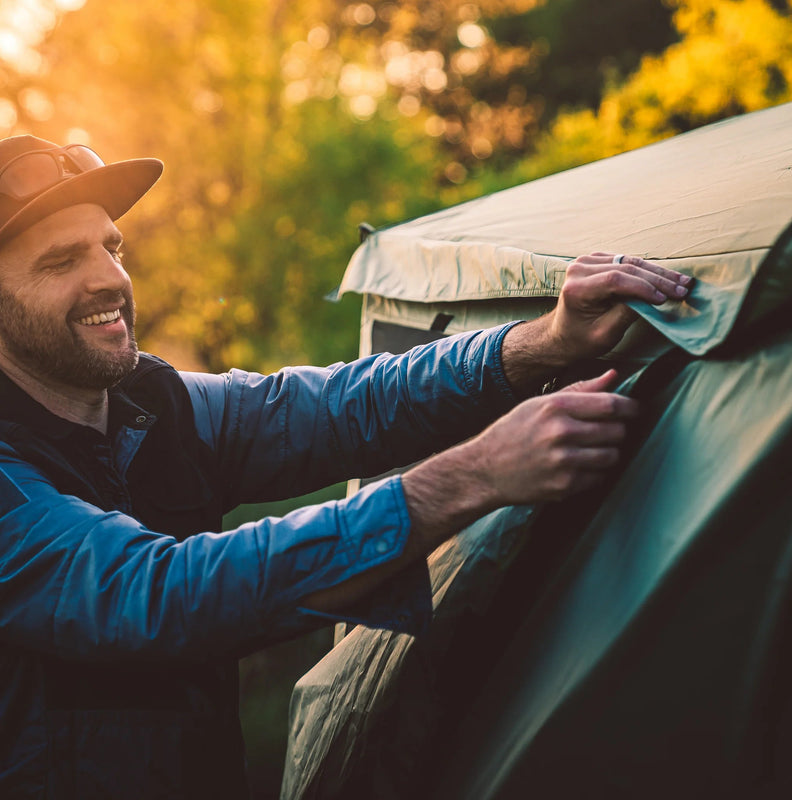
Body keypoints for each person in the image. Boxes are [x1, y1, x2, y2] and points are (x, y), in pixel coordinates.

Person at [0, 134, 691, 798]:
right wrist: (472, 476)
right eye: (61, 262)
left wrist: (541, 341)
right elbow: (162, 595)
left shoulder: (152, 405)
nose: (111, 279)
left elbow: (342, 405)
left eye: (111, 247)